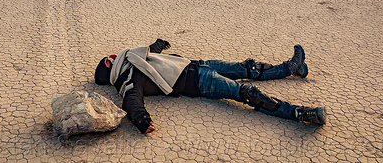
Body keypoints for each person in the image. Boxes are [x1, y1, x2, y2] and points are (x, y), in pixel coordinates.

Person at [95, 39, 326, 134]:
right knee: (246, 92)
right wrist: (142, 121)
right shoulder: (127, 77)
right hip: (200, 82)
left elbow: (151, 57)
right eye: (111, 57)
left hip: (197, 65)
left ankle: (291, 68)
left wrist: (158, 45)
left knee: (248, 68)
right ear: (110, 62)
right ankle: (299, 113)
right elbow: (131, 100)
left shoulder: (135, 59)